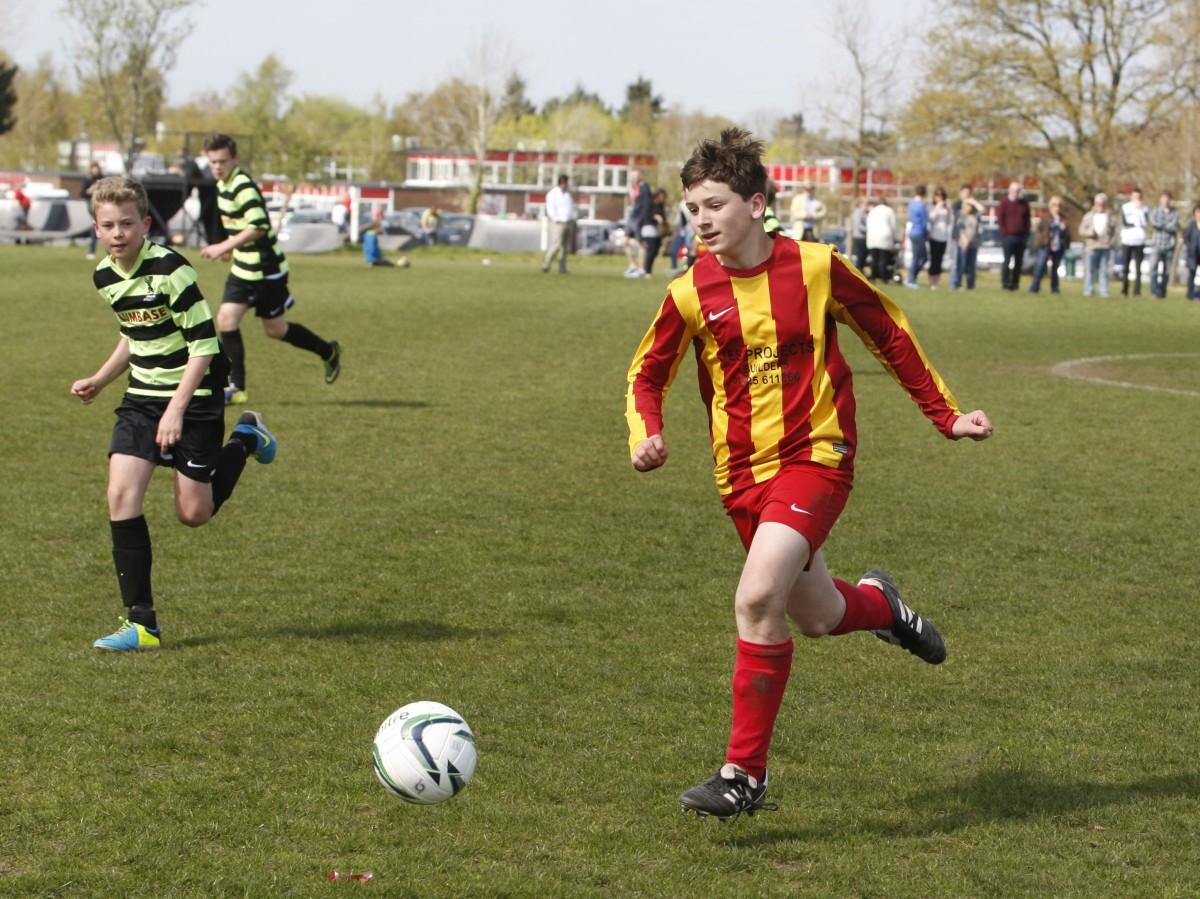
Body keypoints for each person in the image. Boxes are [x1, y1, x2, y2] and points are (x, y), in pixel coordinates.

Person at [624, 128, 993, 820]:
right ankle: (887, 608)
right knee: (818, 615)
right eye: (692, 208)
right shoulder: (687, 292)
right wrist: (647, 433)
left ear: (757, 203)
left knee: (756, 595)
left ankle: (745, 774)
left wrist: (946, 415)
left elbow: (889, 332)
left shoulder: (817, 266)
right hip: (742, 478)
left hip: (817, 458)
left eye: (715, 205)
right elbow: (646, 374)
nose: (701, 220)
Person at [71, 176, 277, 651]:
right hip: (141, 398)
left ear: (144, 223)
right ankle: (143, 625)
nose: (118, 232)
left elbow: (204, 346)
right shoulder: (105, 276)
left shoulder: (171, 269)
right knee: (120, 494)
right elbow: (134, 334)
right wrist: (101, 380)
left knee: (194, 513)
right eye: (108, 225)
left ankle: (247, 436)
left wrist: (177, 410)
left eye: (127, 223)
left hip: (197, 394)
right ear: (98, 230)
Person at [199, 133, 341, 405]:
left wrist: (223, 245)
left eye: (222, 161)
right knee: (226, 320)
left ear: (235, 159)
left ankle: (328, 351)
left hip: (266, 270)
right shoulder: (222, 185)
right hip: (243, 267)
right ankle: (236, 387)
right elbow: (239, 224)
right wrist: (230, 248)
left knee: (275, 329)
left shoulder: (243, 186)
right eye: (212, 162)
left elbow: (259, 226)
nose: (217, 167)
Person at [1079, 192, 1118, 298]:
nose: (1100, 206)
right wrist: (1089, 233)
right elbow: (1081, 230)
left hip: (1105, 247)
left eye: (1103, 204)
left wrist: (1111, 243)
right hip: (1091, 247)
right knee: (1089, 270)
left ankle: (1104, 291)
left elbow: (1115, 232)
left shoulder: (1111, 217)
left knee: (1104, 270)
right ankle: (1088, 290)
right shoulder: (1088, 216)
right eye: (1098, 204)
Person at [1028, 196, 1069, 295]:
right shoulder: (1045, 218)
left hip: (1058, 246)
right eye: (1054, 205)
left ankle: (1055, 289)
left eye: (1059, 205)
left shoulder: (1064, 219)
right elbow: (1038, 231)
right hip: (1046, 246)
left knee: (1055, 268)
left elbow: (1067, 234)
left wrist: (1066, 244)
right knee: (1040, 266)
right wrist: (1042, 241)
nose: (1057, 207)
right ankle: (1034, 287)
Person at [996, 181, 1031, 291]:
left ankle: (1015, 284)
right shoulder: (1004, 203)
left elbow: (1027, 220)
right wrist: (1005, 234)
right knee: (1007, 261)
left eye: (1017, 190)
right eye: (1014, 190)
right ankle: (1005, 283)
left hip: (1020, 237)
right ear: (1009, 191)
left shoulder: (1024, 204)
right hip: (1008, 237)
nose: (1016, 192)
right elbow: (1000, 220)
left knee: (1018, 262)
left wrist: (1025, 235)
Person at [541, 174, 576, 274]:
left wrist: (572, 218)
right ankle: (546, 265)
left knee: (565, 247)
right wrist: (556, 219)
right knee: (556, 245)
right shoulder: (553, 194)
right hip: (558, 223)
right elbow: (550, 209)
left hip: (568, 222)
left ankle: (562, 268)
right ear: (562, 183)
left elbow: (572, 208)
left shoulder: (568, 195)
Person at [1147, 191, 1178, 300]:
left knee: (1166, 271)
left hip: (1169, 245)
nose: (1165, 201)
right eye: (1164, 198)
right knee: (1153, 269)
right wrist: (1165, 226)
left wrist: (1161, 226)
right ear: (1160, 199)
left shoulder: (1175, 213)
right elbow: (1154, 223)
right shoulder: (1155, 211)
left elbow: (1173, 226)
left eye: (1167, 198)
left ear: (1170, 200)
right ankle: (1155, 292)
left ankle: (1162, 292)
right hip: (1156, 244)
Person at [1119, 188, 1149, 297]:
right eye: (1135, 197)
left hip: (1139, 240)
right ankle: (1124, 290)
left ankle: (1137, 291)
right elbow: (1126, 222)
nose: (1137, 199)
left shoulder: (1144, 209)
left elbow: (1144, 223)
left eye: (1139, 197)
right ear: (1131, 197)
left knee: (1138, 268)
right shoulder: (1125, 207)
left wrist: (1139, 211)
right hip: (1127, 240)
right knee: (1126, 267)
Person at [623, 169, 652, 277]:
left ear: (640, 177)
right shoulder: (633, 188)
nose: (633, 178)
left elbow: (646, 205)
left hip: (638, 219)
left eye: (635, 176)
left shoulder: (644, 187)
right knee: (625, 242)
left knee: (640, 243)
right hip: (631, 218)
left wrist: (642, 220)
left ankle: (641, 269)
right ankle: (633, 265)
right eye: (632, 176)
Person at [950, 199, 982, 290]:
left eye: (970, 206)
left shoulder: (976, 216)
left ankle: (971, 285)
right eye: (967, 205)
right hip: (963, 243)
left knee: (971, 265)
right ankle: (958, 283)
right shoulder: (961, 215)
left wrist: (974, 202)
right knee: (961, 264)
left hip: (974, 243)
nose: (968, 207)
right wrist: (964, 240)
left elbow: (982, 210)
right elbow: (960, 228)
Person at [865, 197, 897, 283]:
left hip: (872, 236)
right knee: (883, 259)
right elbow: (893, 226)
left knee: (874, 259)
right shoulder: (889, 211)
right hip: (884, 236)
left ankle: (873, 277)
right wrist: (894, 239)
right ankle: (883, 278)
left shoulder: (872, 211)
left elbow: (868, 224)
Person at [926, 187, 952, 290]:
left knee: (940, 260)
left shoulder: (946, 208)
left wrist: (949, 209)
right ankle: (932, 281)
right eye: (937, 195)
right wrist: (937, 207)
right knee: (934, 260)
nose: (939, 197)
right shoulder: (932, 206)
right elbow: (931, 218)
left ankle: (937, 282)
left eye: (941, 195)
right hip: (934, 236)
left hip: (943, 237)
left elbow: (949, 221)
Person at [905, 185, 929, 288]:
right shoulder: (921, 205)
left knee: (917, 257)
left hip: (912, 232)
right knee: (922, 257)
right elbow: (924, 221)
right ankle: (911, 278)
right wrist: (926, 233)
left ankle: (912, 277)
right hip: (919, 232)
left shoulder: (911, 204)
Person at [640, 188, 668, 276]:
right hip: (649, 229)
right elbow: (646, 214)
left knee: (654, 251)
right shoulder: (650, 203)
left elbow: (663, 216)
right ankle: (647, 271)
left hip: (657, 231)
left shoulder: (661, 205)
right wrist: (654, 216)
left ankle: (648, 270)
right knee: (651, 250)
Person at [82, 162, 104, 258]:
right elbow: (83, 193)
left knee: (101, 226)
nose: (96, 170)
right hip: (92, 205)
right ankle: (91, 251)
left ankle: (108, 251)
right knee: (97, 225)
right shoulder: (88, 179)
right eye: (94, 168)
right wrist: (90, 190)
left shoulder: (102, 179)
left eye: (97, 168)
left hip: (102, 205)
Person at [1183, 205, 1200, 301]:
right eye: (1197, 212)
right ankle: (1190, 295)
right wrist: (1190, 247)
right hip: (1193, 255)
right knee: (1191, 275)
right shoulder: (1192, 225)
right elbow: (1186, 238)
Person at [849, 196, 869, 271]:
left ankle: (861, 270)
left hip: (862, 237)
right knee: (860, 256)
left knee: (863, 256)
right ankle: (858, 271)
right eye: (866, 204)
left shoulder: (863, 212)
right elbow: (858, 225)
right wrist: (868, 230)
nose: (867, 206)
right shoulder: (858, 212)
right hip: (859, 237)